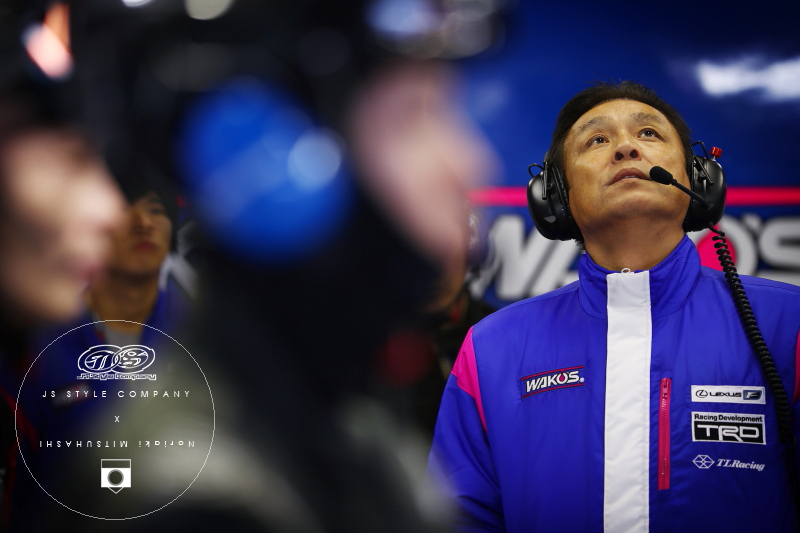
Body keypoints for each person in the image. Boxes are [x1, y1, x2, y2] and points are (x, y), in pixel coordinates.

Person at [428, 81, 800, 532]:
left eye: (649, 133)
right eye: (597, 140)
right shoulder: (491, 347)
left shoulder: (788, 324)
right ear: (555, 195)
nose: (626, 148)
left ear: (699, 179)